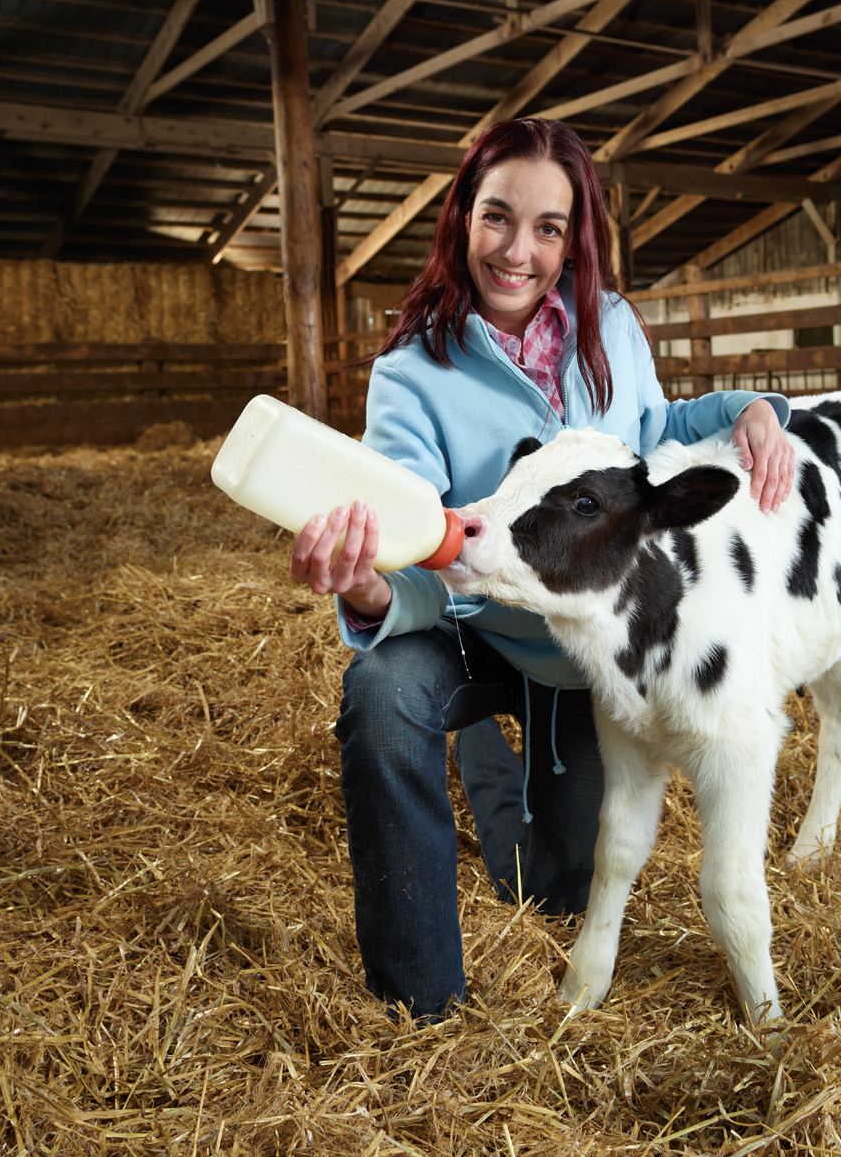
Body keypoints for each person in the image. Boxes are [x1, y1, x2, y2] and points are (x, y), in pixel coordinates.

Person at [291, 118, 795, 1020]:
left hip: (594, 655)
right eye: (497, 218)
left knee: (557, 890)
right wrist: (368, 587)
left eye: (548, 228)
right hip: (476, 626)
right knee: (383, 695)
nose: (518, 252)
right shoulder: (412, 374)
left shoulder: (608, 326)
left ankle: (491, 764)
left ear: (575, 237)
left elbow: (657, 432)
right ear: (460, 219)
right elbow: (409, 546)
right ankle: (420, 1002)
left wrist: (748, 406)